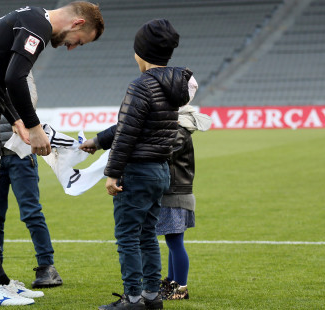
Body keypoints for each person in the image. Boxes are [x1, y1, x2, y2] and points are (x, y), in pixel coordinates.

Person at [0, 2, 104, 306]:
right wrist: (34, 127)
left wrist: (16, 120)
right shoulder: (38, 27)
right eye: (79, 41)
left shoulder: (28, 18)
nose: (72, 48)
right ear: (77, 23)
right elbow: (14, 78)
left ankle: (0, 281)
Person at [80, 19, 194, 310]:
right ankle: (153, 298)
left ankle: (132, 299)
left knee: (128, 238)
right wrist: (98, 141)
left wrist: (112, 173)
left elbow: (128, 132)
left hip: (138, 171)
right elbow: (128, 127)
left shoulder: (140, 85)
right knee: (147, 236)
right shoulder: (174, 87)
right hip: (160, 172)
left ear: (140, 53)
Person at [0, 72, 63, 288]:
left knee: (31, 213)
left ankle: (47, 267)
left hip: (21, 155)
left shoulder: (21, 69)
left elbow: (29, 99)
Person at [157, 103, 205, 301]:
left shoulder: (178, 132)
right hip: (177, 193)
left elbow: (162, 154)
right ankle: (172, 281)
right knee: (173, 240)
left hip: (176, 194)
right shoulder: (179, 130)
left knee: (175, 242)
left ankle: (180, 288)